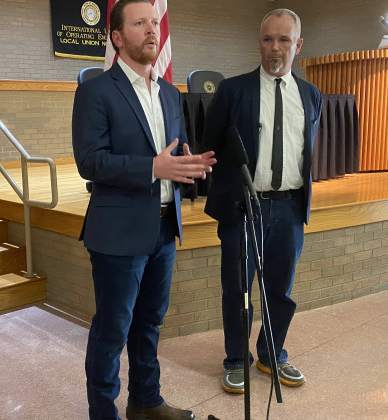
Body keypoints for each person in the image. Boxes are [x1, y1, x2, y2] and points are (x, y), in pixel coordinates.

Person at [71, 0, 216, 418]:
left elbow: (174, 152)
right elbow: (91, 161)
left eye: (155, 22)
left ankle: (146, 401)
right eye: (140, 23)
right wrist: (154, 167)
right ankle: (104, 412)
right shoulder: (95, 91)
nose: (153, 30)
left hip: (163, 228)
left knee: (150, 323)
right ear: (118, 37)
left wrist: (188, 166)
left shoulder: (171, 94)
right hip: (118, 231)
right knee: (112, 329)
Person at [203, 9, 322, 393]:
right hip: (244, 209)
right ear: (259, 42)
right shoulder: (232, 91)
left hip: (288, 209)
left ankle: (272, 354)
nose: (275, 47)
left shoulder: (311, 95)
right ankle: (236, 359)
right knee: (238, 289)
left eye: (284, 40)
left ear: (298, 45)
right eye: (268, 39)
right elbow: (211, 148)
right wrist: (229, 199)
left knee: (279, 290)